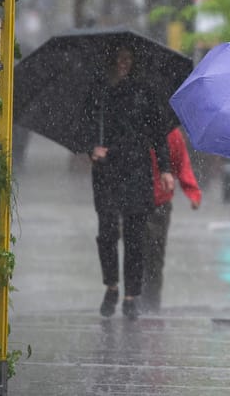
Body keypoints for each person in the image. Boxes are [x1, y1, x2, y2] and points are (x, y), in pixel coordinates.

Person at [87, 47, 175, 320]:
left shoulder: (144, 92)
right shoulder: (98, 91)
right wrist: (91, 147)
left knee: (135, 236)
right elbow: (84, 126)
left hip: (136, 170)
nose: (123, 63)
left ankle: (131, 296)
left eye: (127, 58)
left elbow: (158, 134)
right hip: (106, 171)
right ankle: (111, 286)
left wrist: (165, 169)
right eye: (118, 58)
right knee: (107, 233)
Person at [140, 127, 202, 314]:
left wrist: (192, 192)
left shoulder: (171, 134)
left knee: (151, 255)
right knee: (148, 255)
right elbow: (182, 164)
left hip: (156, 201)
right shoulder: (167, 131)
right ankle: (143, 299)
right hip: (142, 201)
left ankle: (148, 301)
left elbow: (181, 163)